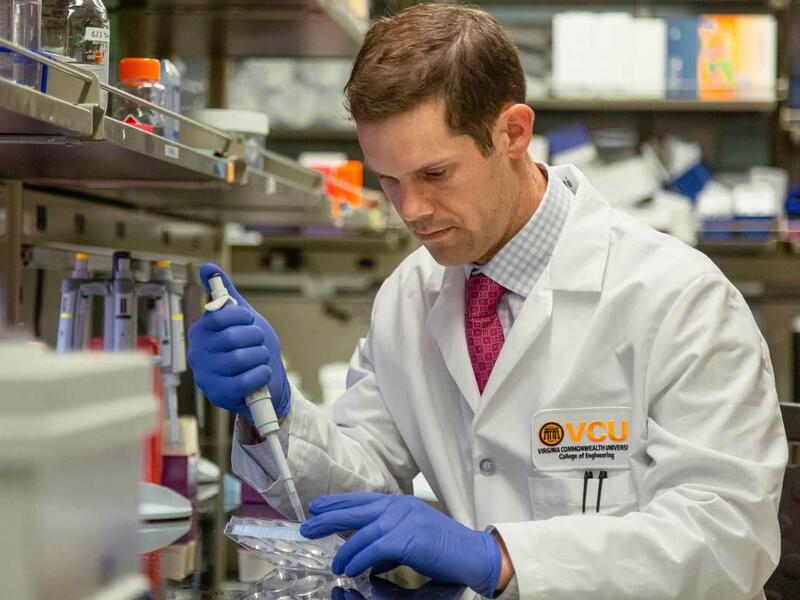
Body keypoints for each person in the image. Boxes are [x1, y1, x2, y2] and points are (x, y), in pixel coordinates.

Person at [187, 4, 787, 599]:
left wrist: (499, 558)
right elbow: (364, 475)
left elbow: (727, 540)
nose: (411, 209)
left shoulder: (680, 298)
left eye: (436, 174)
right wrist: (275, 413)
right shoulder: (409, 297)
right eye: (389, 180)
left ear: (513, 133)